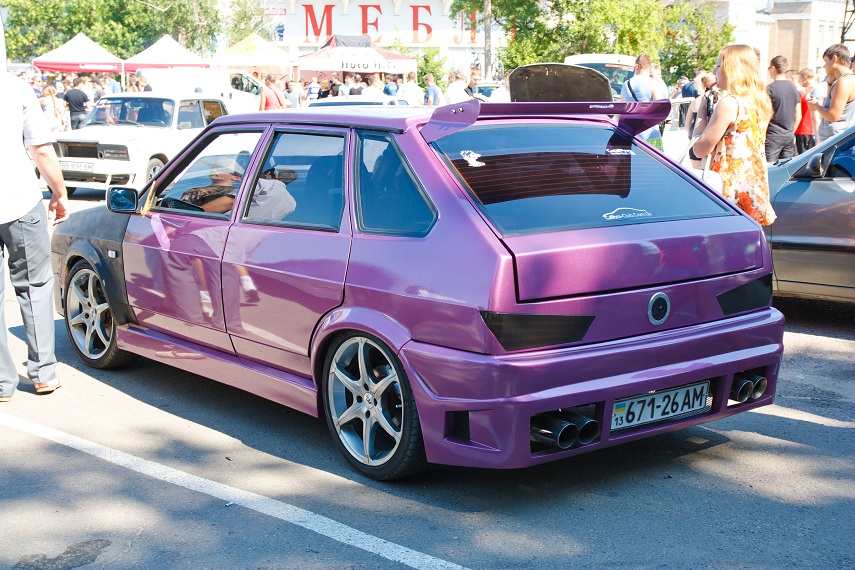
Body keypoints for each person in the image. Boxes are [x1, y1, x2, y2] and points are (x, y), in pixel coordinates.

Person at [0, 73, 69, 402]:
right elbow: (40, 149)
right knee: (35, 285)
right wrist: (59, 191)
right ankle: (43, 372)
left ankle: (2, 381)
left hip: (18, 201)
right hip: (17, 199)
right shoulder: (14, 87)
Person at [693, 44, 776, 226]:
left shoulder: (730, 103)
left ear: (731, 69)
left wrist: (701, 110)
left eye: (718, 65)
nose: (714, 71)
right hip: (753, 186)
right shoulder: (760, 102)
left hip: (728, 188)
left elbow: (700, 148)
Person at [807, 44, 855, 143]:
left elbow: (833, 115)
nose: (824, 66)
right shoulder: (845, 80)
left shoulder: (844, 82)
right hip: (836, 141)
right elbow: (833, 104)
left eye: (825, 61)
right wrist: (829, 83)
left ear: (834, 59)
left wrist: (816, 106)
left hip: (835, 142)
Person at [620, 54, 666, 149]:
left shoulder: (626, 84)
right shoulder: (654, 83)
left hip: (630, 133)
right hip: (650, 133)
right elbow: (661, 108)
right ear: (649, 67)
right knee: (653, 158)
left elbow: (622, 108)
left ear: (637, 66)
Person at [765, 55, 801, 163]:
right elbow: (798, 115)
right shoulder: (794, 88)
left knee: (770, 168)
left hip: (772, 136)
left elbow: (766, 114)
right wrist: (791, 132)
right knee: (786, 167)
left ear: (773, 68)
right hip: (789, 136)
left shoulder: (769, 89)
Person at [795, 68, 816, 154]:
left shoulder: (801, 93)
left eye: (800, 79)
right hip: (813, 130)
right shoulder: (817, 91)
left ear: (805, 78)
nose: (799, 81)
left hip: (802, 128)